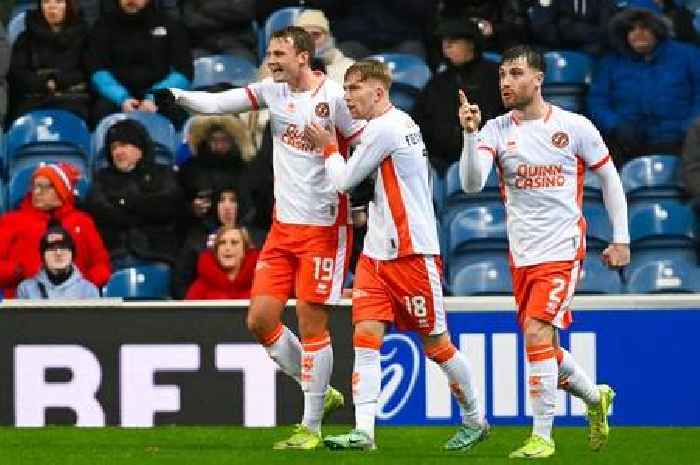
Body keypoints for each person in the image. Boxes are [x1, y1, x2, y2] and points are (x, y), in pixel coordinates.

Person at [154, 26, 365, 449]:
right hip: (283, 228)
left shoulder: (336, 99)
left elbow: (365, 146)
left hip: (325, 229)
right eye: (270, 53)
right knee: (260, 319)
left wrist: (358, 193)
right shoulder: (274, 92)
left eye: (279, 53)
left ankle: (310, 426)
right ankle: (321, 394)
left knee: (311, 324)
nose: (271, 60)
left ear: (303, 56)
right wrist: (177, 98)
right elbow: (218, 103)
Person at [304, 59, 488, 451]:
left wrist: (328, 148)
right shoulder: (395, 124)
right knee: (366, 337)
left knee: (437, 345)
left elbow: (343, 181)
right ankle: (365, 431)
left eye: (354, 88)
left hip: (411, 252)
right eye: (345, 88)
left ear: (378, 91)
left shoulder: (386, 129)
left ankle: (475, 419)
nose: (347, 96)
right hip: (376, 253)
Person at [458, 45, 629, 458]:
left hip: (563, 248)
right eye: (502, 75)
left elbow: (609, 179)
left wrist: (620, 238)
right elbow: (471, 184)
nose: (506, 83)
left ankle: (542, 436)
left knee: (537, 334)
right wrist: (468, 134)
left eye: (515, 73)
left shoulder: (574, 127)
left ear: (538, 79)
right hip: (522, 254)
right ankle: (595, 397)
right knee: (546, 349)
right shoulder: (495, 130)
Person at [588, 7, 700, 166]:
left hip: (680, 141)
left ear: (658, 30)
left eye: (645, 27)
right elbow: (598, 101)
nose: (638, 34)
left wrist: (688, 128)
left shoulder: (689, 55)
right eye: (631, 29)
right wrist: (616, 125)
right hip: (627, 142)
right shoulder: (611, 62)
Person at [0, 163, 111, 297]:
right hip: (24, 301)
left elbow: (101, 263)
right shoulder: (11, 221)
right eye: (35, 186)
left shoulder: (82, 222)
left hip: (76, 303)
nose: (37, 192)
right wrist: (16, 271)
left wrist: (82, 284)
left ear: (61, 190)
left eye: (45, 187)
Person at [84, 119, 184, 268]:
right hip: (116, 255)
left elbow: (168, 205)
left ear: (140, 147)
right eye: (113, 148)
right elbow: (99, 210)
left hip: (159, 255)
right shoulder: (102, 177)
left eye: (123, 145)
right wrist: (142, 208)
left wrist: (124, 202)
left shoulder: (163, 173)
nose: (118, 152)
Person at [412, 18, 503, 176]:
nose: (447, 46)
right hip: (442, 164)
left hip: (492, 159)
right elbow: (419, 123)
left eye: (454, 41)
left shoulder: (496, 76)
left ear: (471, 43)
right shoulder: (437, 83)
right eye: (444, 41)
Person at [86, 0, 193, 127]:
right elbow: (96, 69)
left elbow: (184, 71)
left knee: (178, 111)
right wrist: (122, 98)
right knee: (100, 110)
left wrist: (155, 97)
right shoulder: (102, 26)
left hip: (160, 95)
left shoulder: (170, 24)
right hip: (116, 97)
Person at [9, 0, 91, 122]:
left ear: (68, 5)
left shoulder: (85, 36)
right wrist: (44, 82)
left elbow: (88, 70)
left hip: (74, 99)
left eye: (58, 2)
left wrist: (58, 80)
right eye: (46, 2)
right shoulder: (25, 38)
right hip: (33, 100)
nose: (52, 7)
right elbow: (17, 72)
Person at [172, 185, 254, 299]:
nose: (227, 207)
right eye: (221, 201)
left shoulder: (257, 238)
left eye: (233, 201)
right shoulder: (197, 238)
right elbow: (180, 283)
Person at [17, 223, 100, 299]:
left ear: (72, 254)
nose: (58, 253)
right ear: (43, 256)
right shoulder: (26, 289)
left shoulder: (88, 290)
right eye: (51, 248)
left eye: (64, 247)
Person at [185, 226, 259, 299]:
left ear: (245, 251)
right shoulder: (201, 286)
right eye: (222, 243)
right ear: (216, 252)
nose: (227, 248)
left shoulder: (261, 283)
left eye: (234, 242)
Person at [294, 9, 354, 86]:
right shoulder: (283, 68)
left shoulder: (348, 69)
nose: (310, 41)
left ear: (328, 37)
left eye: (316, 35)